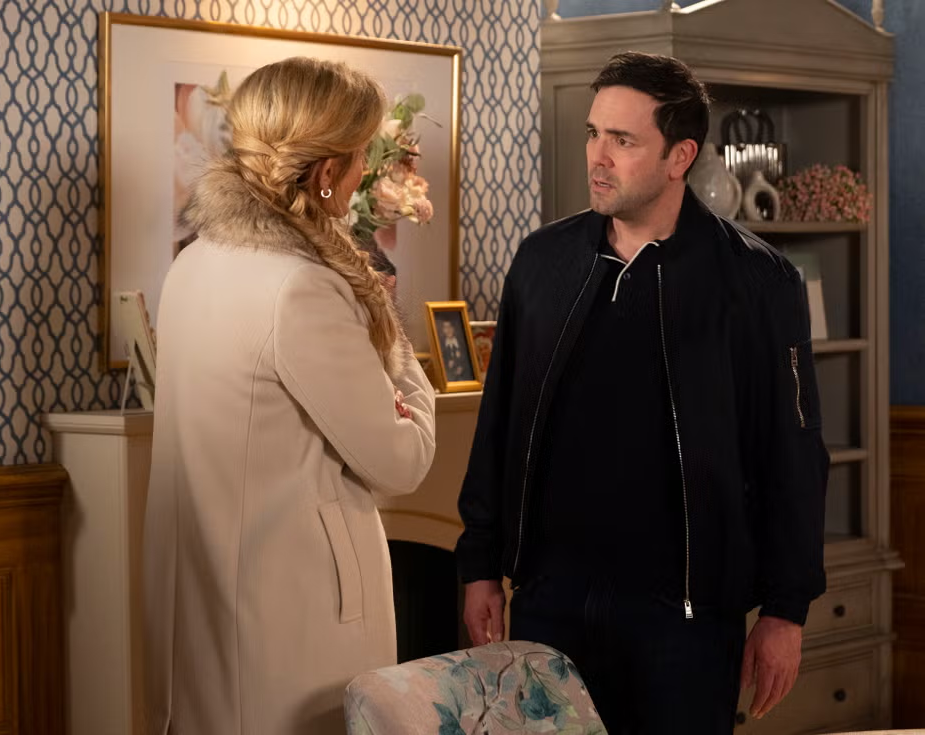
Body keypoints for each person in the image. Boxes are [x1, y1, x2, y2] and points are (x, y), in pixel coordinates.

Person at [456, 51, 828, 734]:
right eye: (593, 133)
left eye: (623, 140)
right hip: (549, 602)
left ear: (680, 155)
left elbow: (793, 453)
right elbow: (498, 422)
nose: (598, 157)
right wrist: (479, 564)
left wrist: (786, 609)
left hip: (684, 620)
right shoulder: (542, 261)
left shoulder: (759, 283)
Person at [142, 57, 437, 735]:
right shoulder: (304, 287)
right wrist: (392, 340)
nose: (363, 174)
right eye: (360, 156)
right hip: (292, 608)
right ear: (328, 172)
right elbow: (403, 459)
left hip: (212, 599)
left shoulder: (192, 263)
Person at [439, 316, 473, 381]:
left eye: (450, 326)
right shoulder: (440, 345)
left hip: (465, 378)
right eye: (445, 327)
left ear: (454, 328)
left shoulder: (463, 342)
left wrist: (462, 367)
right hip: (449, 379)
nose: (448, 330)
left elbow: (469, 360)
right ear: (442, 330)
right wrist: (448, 367)